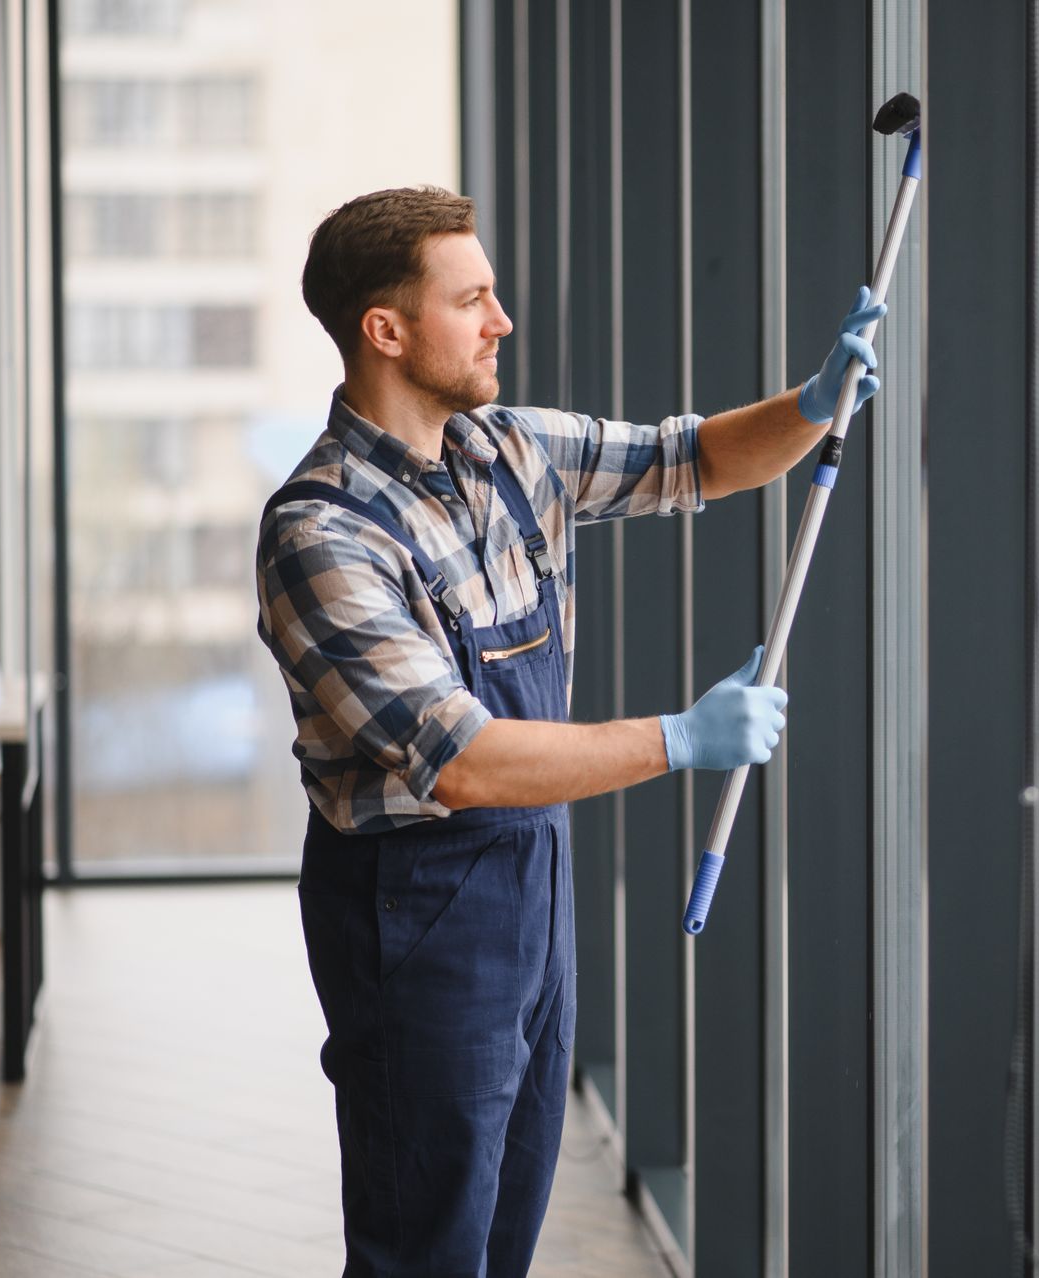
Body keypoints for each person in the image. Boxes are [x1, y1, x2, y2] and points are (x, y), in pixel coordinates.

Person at [253, 185, 883, 1277]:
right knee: (425, 1244)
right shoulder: (323, 533)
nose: (501, 321)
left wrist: (815, 404)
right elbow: (464, 761)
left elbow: (697, 458)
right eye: (472, 300)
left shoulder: (510, 451)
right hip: (415, 911)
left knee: (503, 1231)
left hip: (533, 889)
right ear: (386, 330)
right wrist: (679, 738)